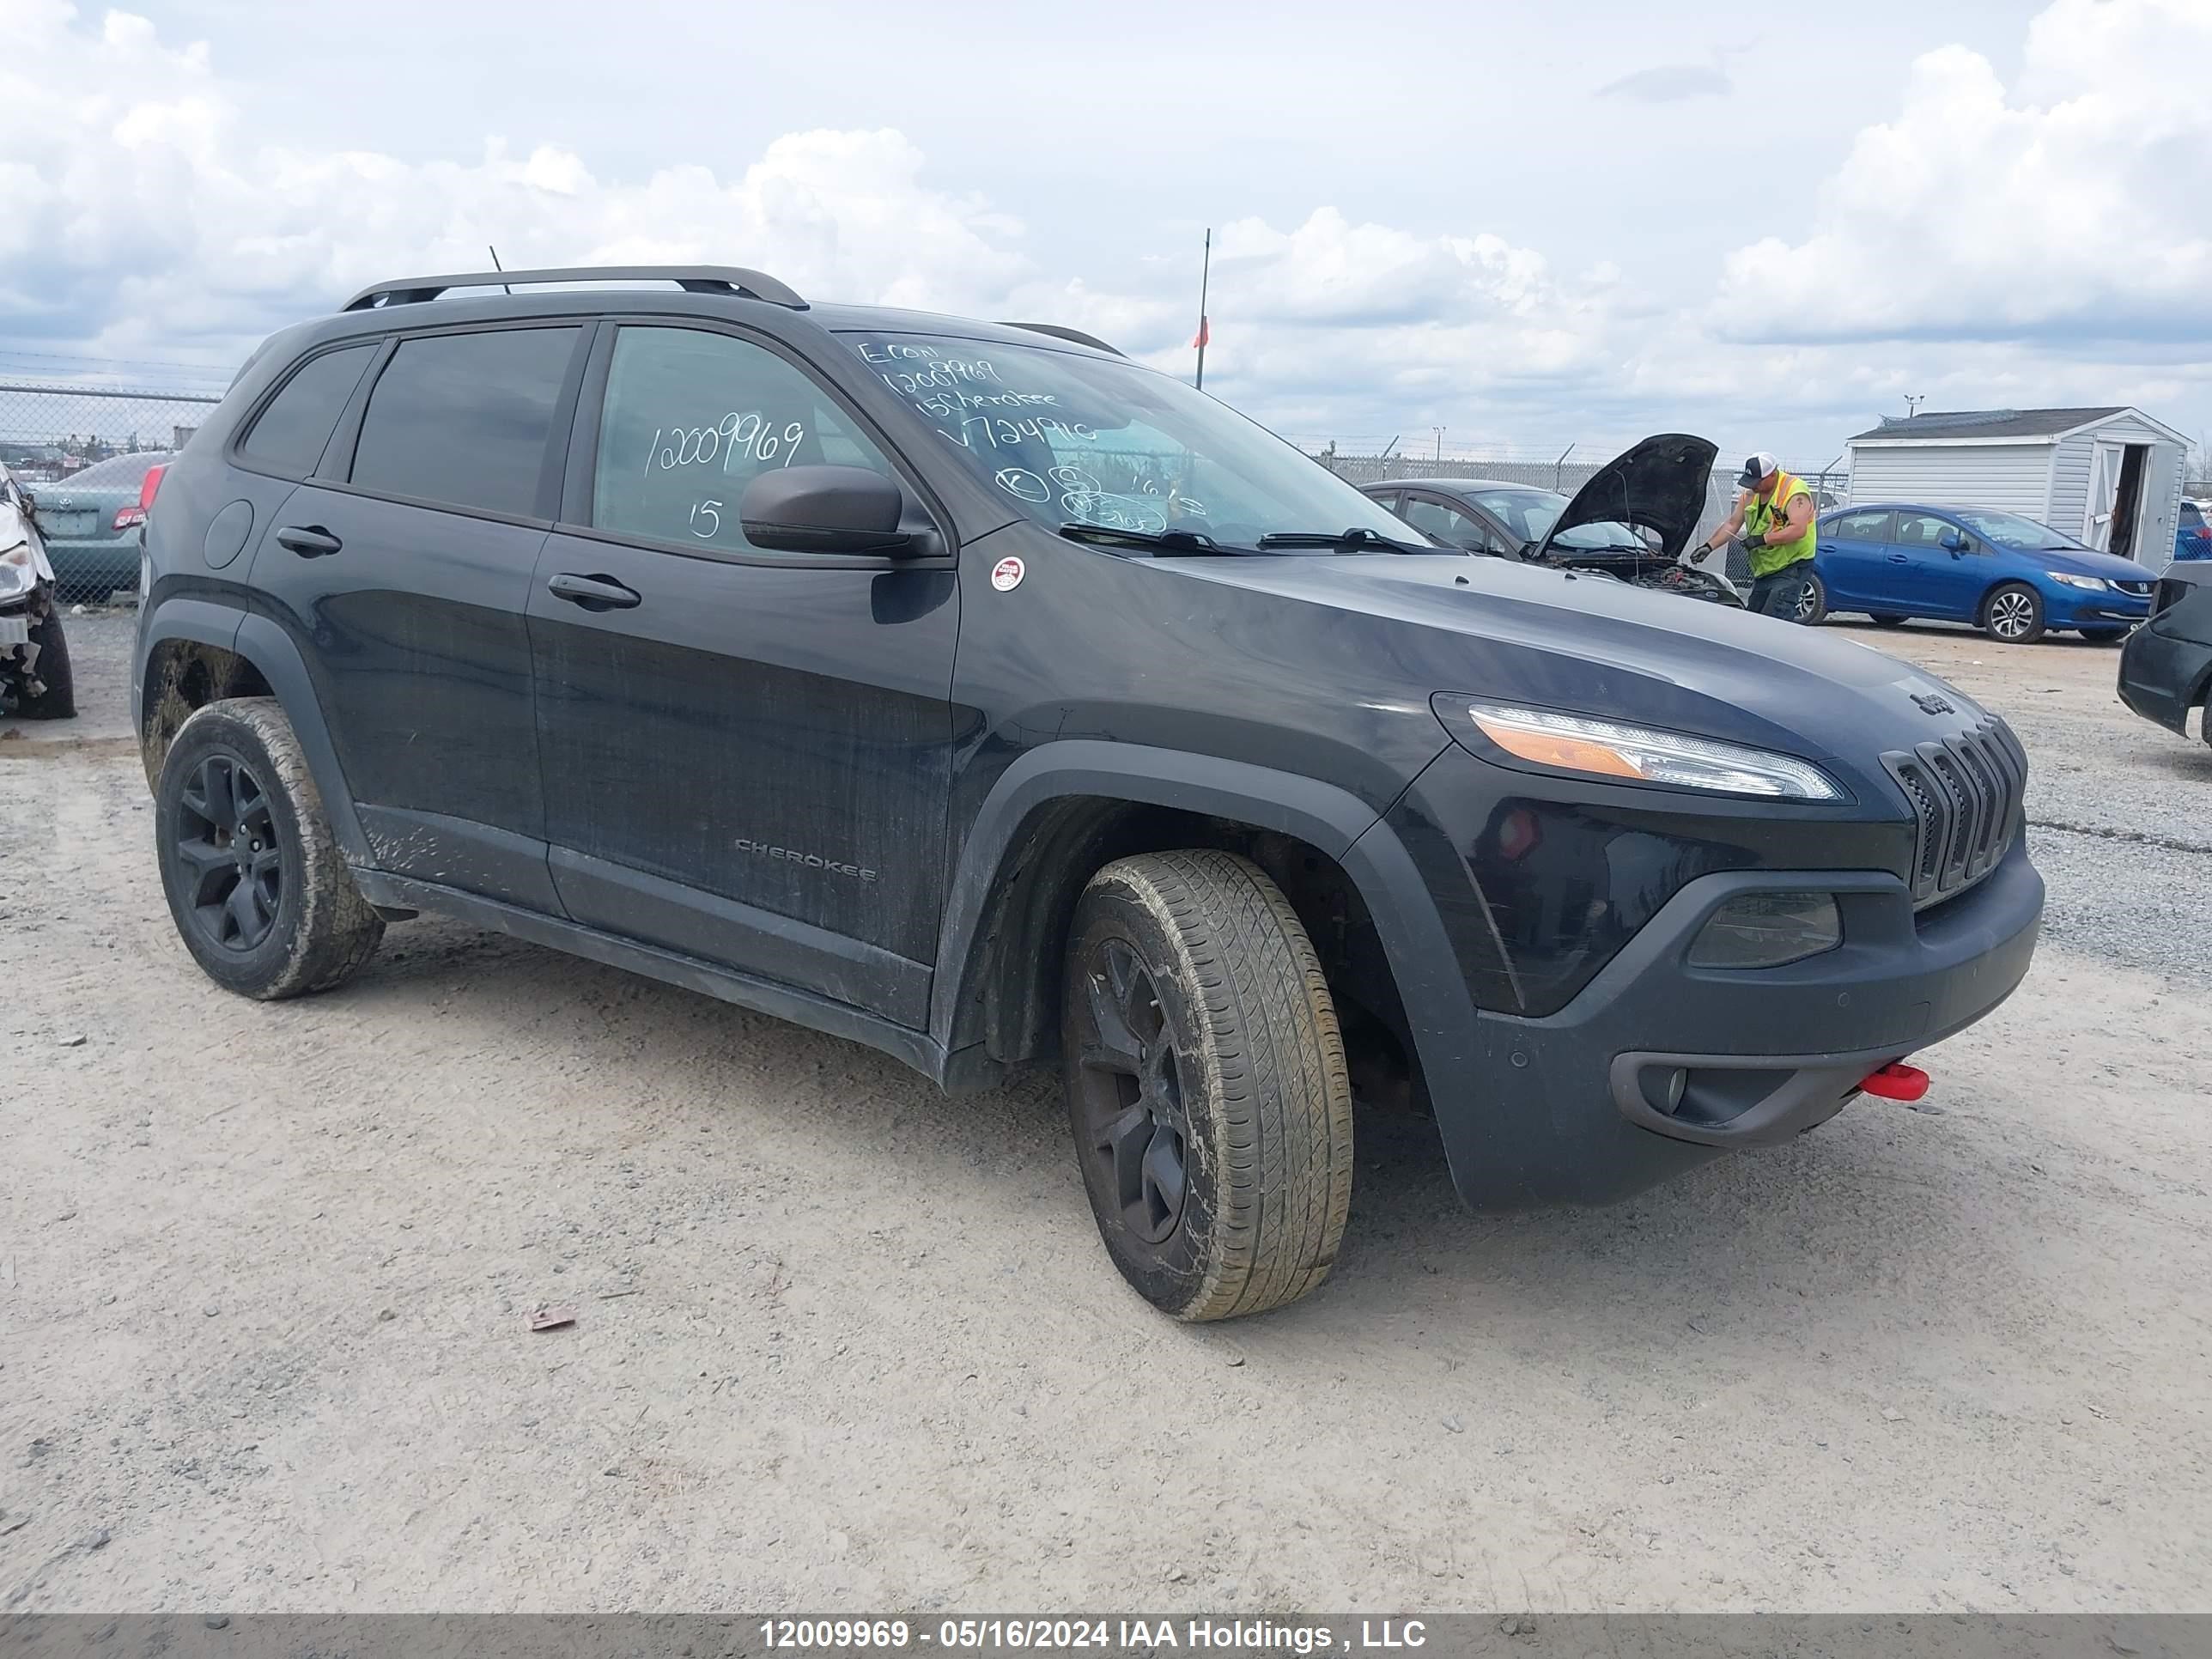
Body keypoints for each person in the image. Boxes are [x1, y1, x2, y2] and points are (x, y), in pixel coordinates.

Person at [1694, 452, 1819, 619]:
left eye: (1757, 482)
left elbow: (1798, 529)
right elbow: (1732, 524)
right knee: (1753, 619)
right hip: (1765, 570)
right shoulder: (1750, 494)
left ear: (1772, 475)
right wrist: (1708, 547)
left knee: (1774, 620)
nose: (1753, 486)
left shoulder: (1794, 491)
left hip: (1791, 567)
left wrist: (1762, 540)